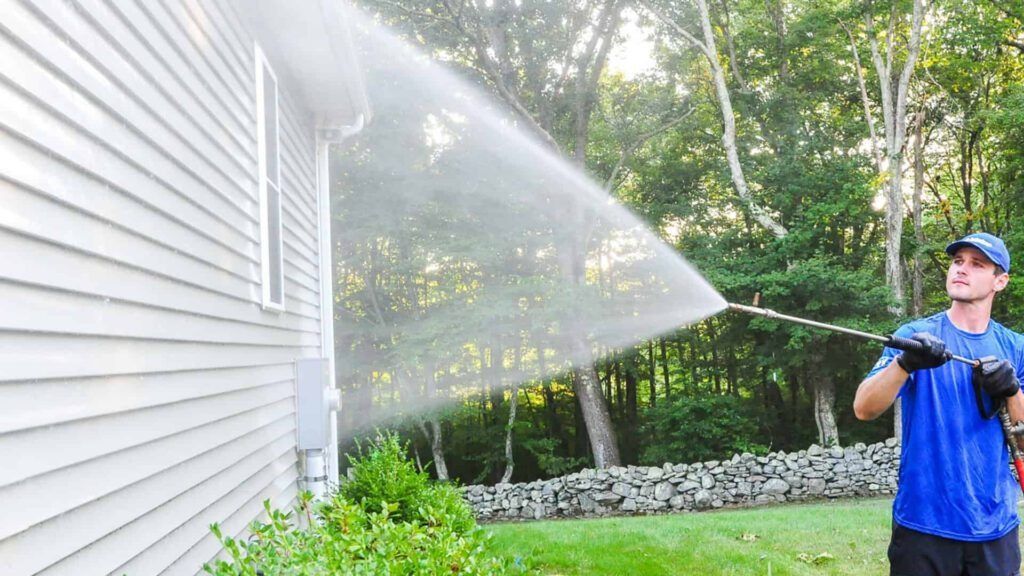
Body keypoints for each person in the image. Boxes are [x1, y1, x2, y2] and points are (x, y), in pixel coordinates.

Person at [854, 232, 1024, 576]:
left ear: (1000, 281)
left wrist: (1011, 389)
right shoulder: (914, 336)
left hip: (994, 525)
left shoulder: (1015, 347)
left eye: (977, 264)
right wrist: (905, 363)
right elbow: (864, 408)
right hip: (922, 524)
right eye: (957, 261)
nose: (961, 269)